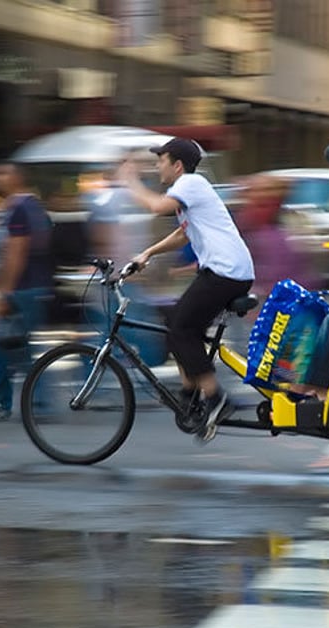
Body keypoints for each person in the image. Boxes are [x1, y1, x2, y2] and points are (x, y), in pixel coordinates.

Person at [116, 138, 254, 439]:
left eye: (160, 160)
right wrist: (148, 254)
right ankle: (191, 394)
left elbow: (156, 207)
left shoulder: (191, 183)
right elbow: (184, 234)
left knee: (180, 330)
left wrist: (130, 182)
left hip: (225, 272)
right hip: (228, 271)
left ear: (177, 165)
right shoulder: (191, 189)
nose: (157, 165)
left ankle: (215, 398)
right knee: (177, 324)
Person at [0, 162, 54, 421]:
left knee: (2, 346)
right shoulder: (29, 207)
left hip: (20, 290)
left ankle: (6, 403)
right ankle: (34, 403)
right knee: (16, 347)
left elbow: (16, 254)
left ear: (17, 177)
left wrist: (4, 293)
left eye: (1, 172)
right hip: (31, 287)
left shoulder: (20, 209)